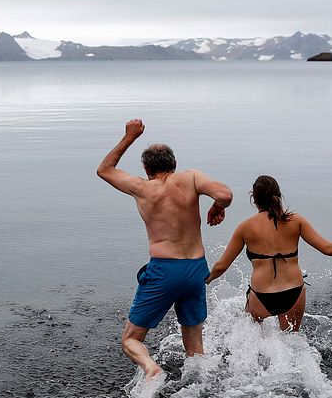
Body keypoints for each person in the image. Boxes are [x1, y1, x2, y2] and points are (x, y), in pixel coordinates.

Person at [97, 119, 233, 379]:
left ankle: (151, 368)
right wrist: (218, 207)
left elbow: (104, 170)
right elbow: (225, 194)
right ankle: (200, 386)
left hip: (164, 270)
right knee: (195, 346)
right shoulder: (190, 178)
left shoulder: (141, 188)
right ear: (174, 165)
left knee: (131, 340)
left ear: (146, 168)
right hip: (195, 269)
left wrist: (130, 137)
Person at [206, 175, 332, 330]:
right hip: (293, 293)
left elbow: (221, 267)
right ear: (278, 195)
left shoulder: (245, 228)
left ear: (254, 199)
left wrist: (205, 280)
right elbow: (329, 249)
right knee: (292, 345)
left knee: (253, 343)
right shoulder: (296, 221)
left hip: (261, 295)